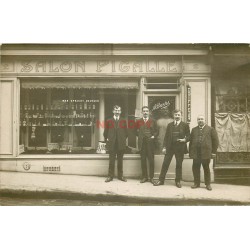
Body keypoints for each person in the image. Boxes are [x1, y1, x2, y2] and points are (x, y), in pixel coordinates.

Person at [154, 109, 190, 188]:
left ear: (181, 115)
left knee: (179, 164)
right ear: (173, 116)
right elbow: (166, 137)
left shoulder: (185, 125)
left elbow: (189, 136)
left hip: (180, 147)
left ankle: (178, 181)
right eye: (176, 115)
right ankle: (161, 180)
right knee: (165, 163)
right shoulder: (170, 125)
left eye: (178, 115)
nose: (177, 116)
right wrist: (164, 147)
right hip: (170, 147)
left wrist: (185, 140)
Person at [189, 115, 219, 191]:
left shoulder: (210, 129)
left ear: (205, 120)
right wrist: (190, 152)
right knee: (195, 168)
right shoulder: (194, 129)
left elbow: (215, 141)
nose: (200, 120)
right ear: (197, 121)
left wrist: (214, 152)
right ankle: (196, 183)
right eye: (199, 119)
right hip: (196, 153)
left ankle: (208, 184)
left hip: (206, 153)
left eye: (202, 119)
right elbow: (191, 142)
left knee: (206, 168)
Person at [104, 105, 128, 182]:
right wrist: (108, 139)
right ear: (113, 111)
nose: (117, 112)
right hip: (112, 144)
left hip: (121, 144)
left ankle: (120, 176)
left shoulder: (123, 120)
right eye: (115, 110)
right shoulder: (109, 121)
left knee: (120, 161)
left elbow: (126, 133)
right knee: (111, 161)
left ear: (120, 112)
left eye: (118, 110)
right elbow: (105, 132)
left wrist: (122, 139)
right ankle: (110, 176)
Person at [136, 106, 159, 184]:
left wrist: (153, 136)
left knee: (151, 160)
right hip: (142, 143)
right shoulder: (138, 121)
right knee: (143, 160)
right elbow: (135, 131)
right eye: (144, 111)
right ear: (142, 112)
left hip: (150, 143)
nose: (145, 112)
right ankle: (144, 177)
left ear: (149, 112)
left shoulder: (153, 121)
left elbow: (157, 131)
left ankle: (151, 177)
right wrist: (140, 136)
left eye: (146, 111)